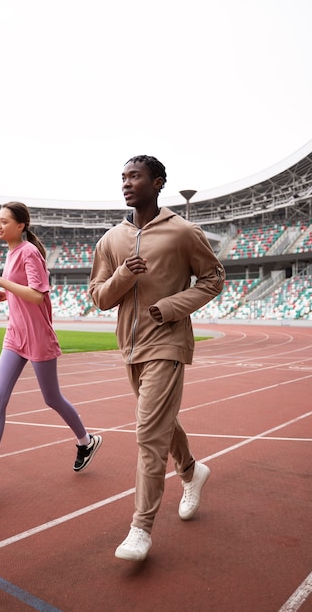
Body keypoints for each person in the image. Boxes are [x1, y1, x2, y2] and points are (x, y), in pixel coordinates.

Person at [89, 156, 225, 561]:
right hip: (130, 348)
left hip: (167, 341)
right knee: (160, 422)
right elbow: (99, 297)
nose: (127, 183)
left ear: (158, 182)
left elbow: (214, 277)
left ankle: (141, 529)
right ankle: (190, 471)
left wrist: (172, 307)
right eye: (124, 177)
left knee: (148, 433)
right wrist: (124, 275)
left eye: (135, 176)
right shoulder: (110, 239)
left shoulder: (183, 232)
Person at [0, 202, 102, 494]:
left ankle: (87, 441)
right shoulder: (11, 253)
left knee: (52, 398)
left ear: (20, 225)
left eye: (4, 221)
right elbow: (21, 292)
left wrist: (0, 280)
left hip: (37, 337)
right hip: (14, 337)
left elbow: (37, 296)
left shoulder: (29, 252)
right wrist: (5, 293)